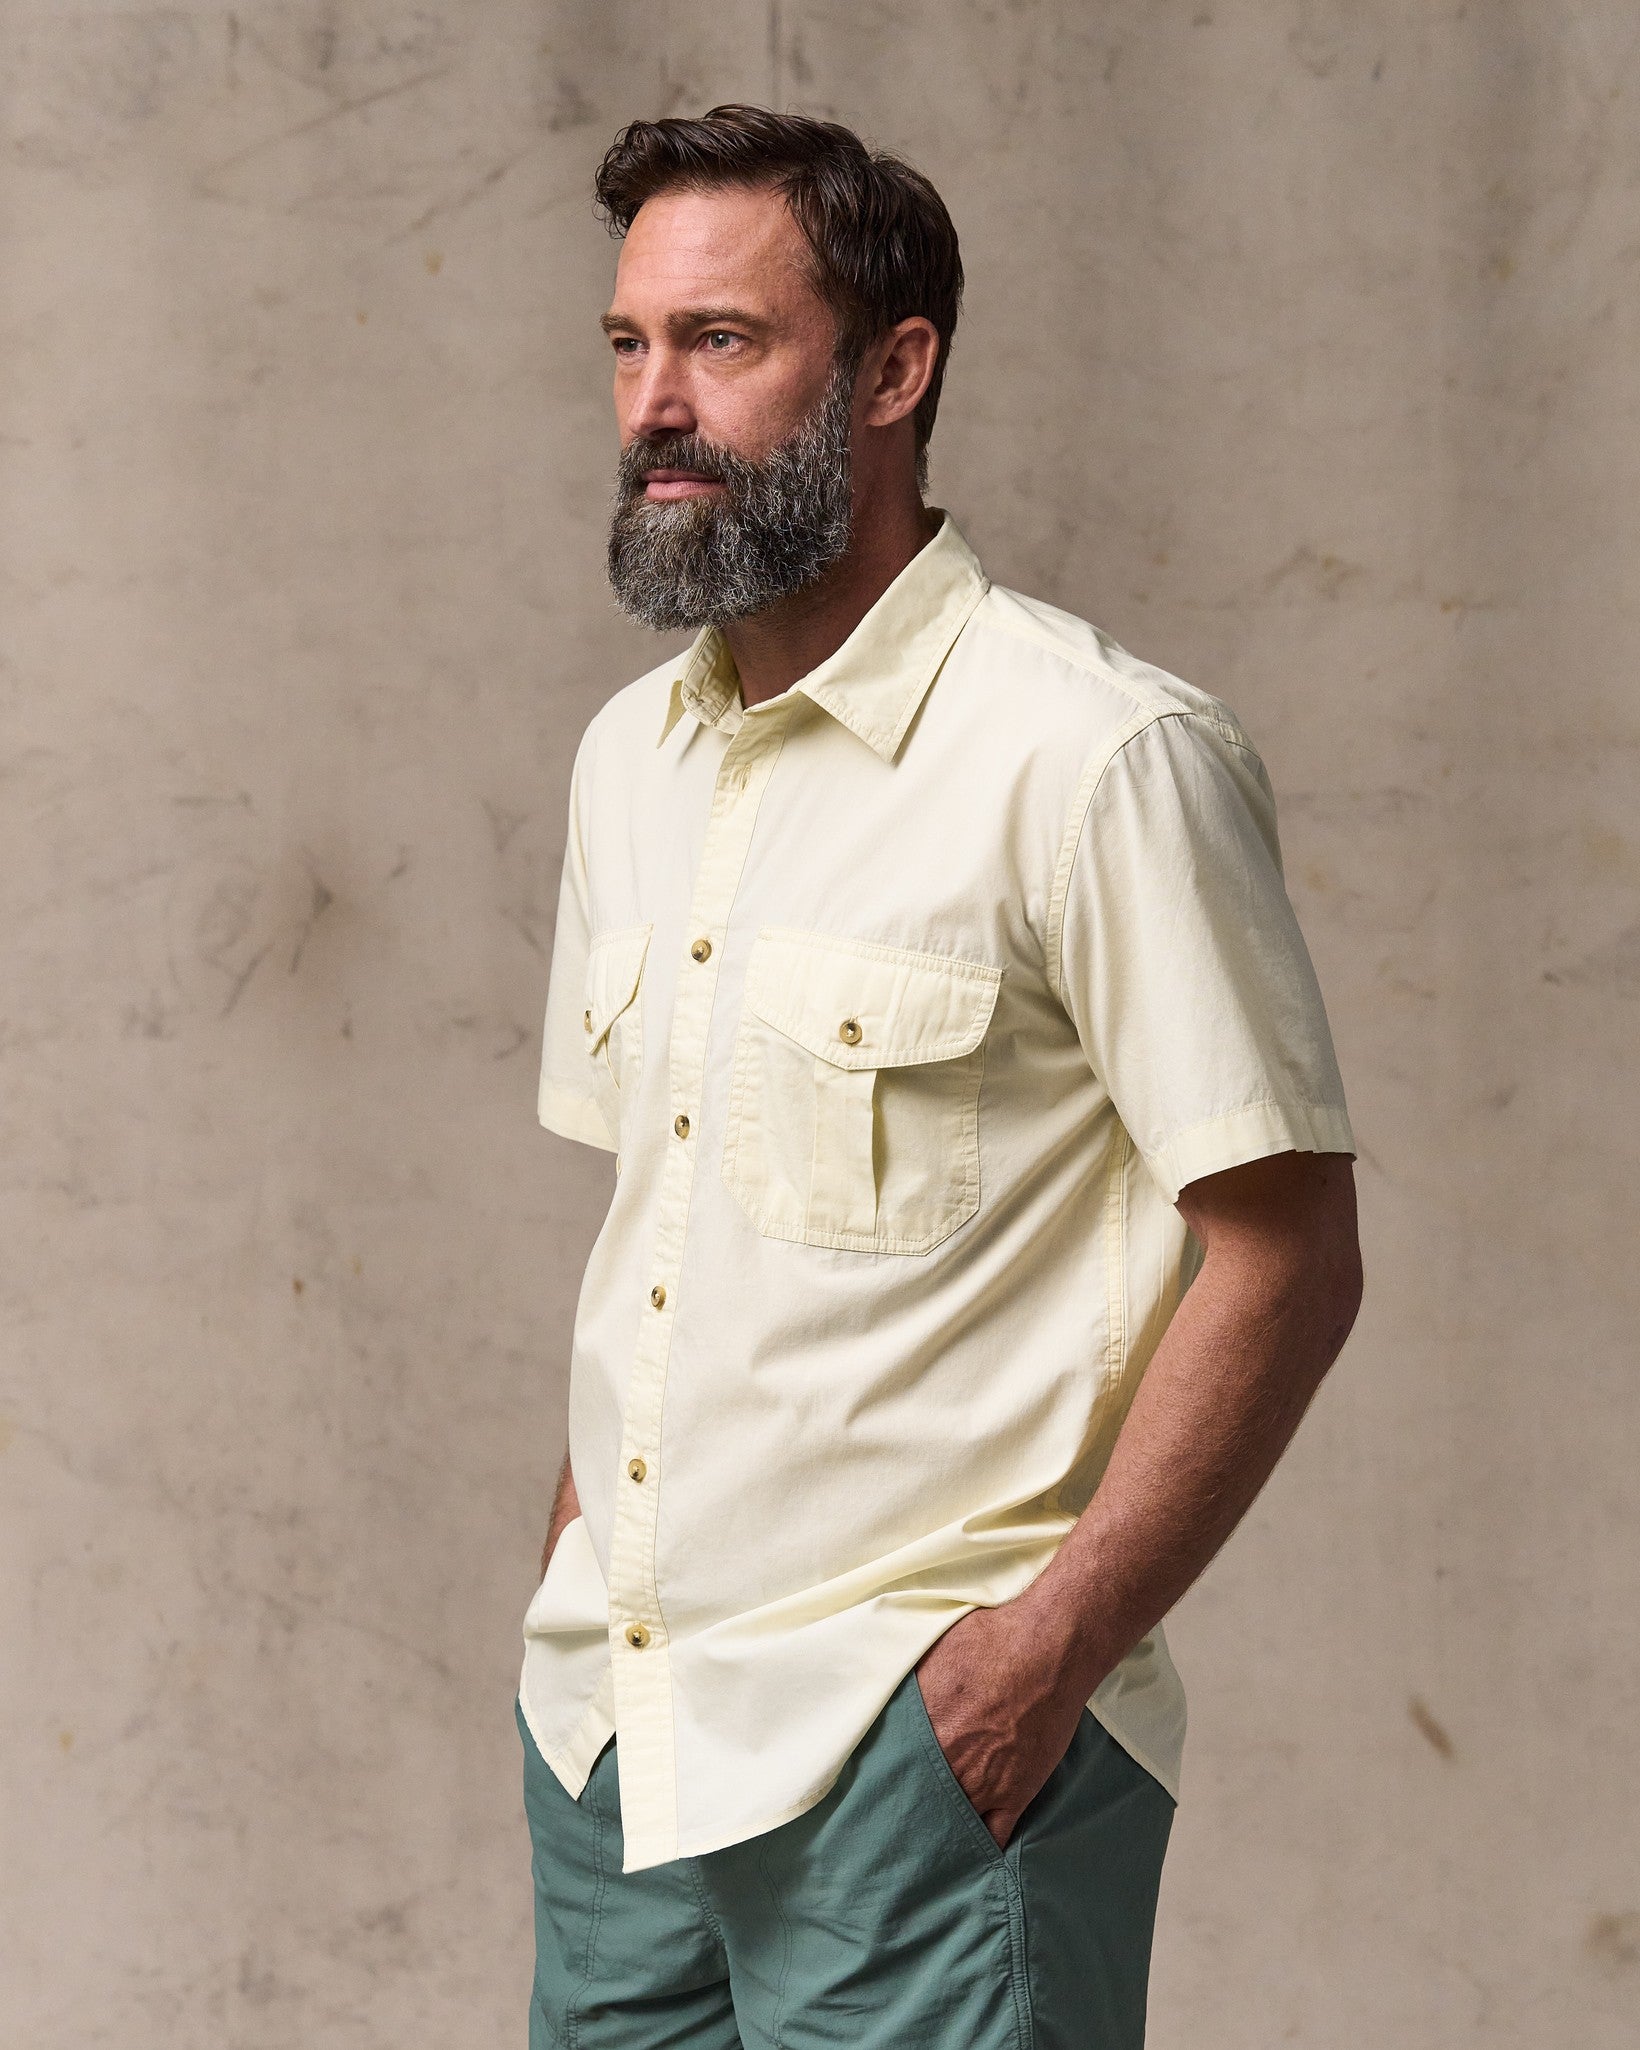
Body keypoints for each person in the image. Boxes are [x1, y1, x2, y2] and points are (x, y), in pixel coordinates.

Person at [515, 103, 1362, 2050]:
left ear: (892, 370)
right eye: (629, 343)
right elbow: (656, 1223)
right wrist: (572, 1575)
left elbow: (1289, 1256)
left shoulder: (1095, 757)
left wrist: (1040, 1658)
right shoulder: (627, 762)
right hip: (618, 1744)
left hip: (922, 1757)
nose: (655, 403)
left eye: (722, 340)